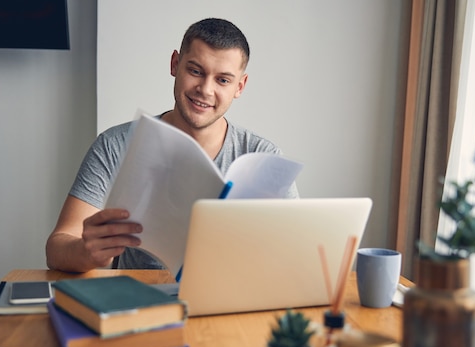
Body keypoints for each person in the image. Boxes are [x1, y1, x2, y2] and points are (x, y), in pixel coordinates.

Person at [46, 17, 299, 273]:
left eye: (223, 80)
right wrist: (88, 253)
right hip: (142, 301)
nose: (205, 89)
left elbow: (294, 254)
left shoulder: (264, 158)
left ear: (239, 86)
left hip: (229, 303)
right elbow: (57, 247)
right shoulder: (115, 145)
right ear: (175, 64)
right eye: (195, 71)